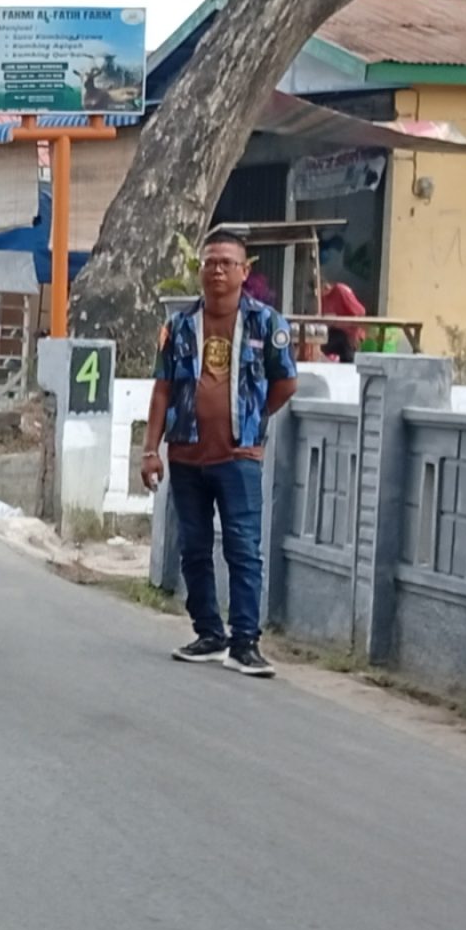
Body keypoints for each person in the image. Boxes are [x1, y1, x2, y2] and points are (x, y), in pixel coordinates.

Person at [140, 228, 299, 680]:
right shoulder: (179, 326)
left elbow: (286, 383)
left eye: (227, 263)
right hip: (186, 455)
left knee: (243, 548)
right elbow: (162, 389)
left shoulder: (267, 324)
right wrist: (150, 449)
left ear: (244, 272)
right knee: (193, 547)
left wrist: (251, 418)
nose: (217, 270)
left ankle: (245, 642)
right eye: (210, 262)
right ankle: (209, 633)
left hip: (238, 458)